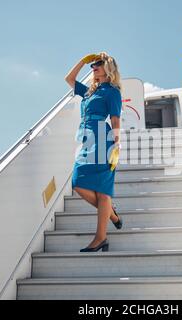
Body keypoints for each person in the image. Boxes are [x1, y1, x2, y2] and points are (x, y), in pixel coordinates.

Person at [64, 52, 123, 252]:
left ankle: (100, 238)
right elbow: (69, 79)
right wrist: (83, 60)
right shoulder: (89, 91)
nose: (93, 67)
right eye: (93, 64)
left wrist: (116, 144)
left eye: (97, 64)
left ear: (108, 67)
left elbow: (115, 120)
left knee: (102, 189)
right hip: (85, 137)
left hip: (101, 136)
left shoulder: (112, 91)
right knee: (78, 182)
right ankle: (112, 215)